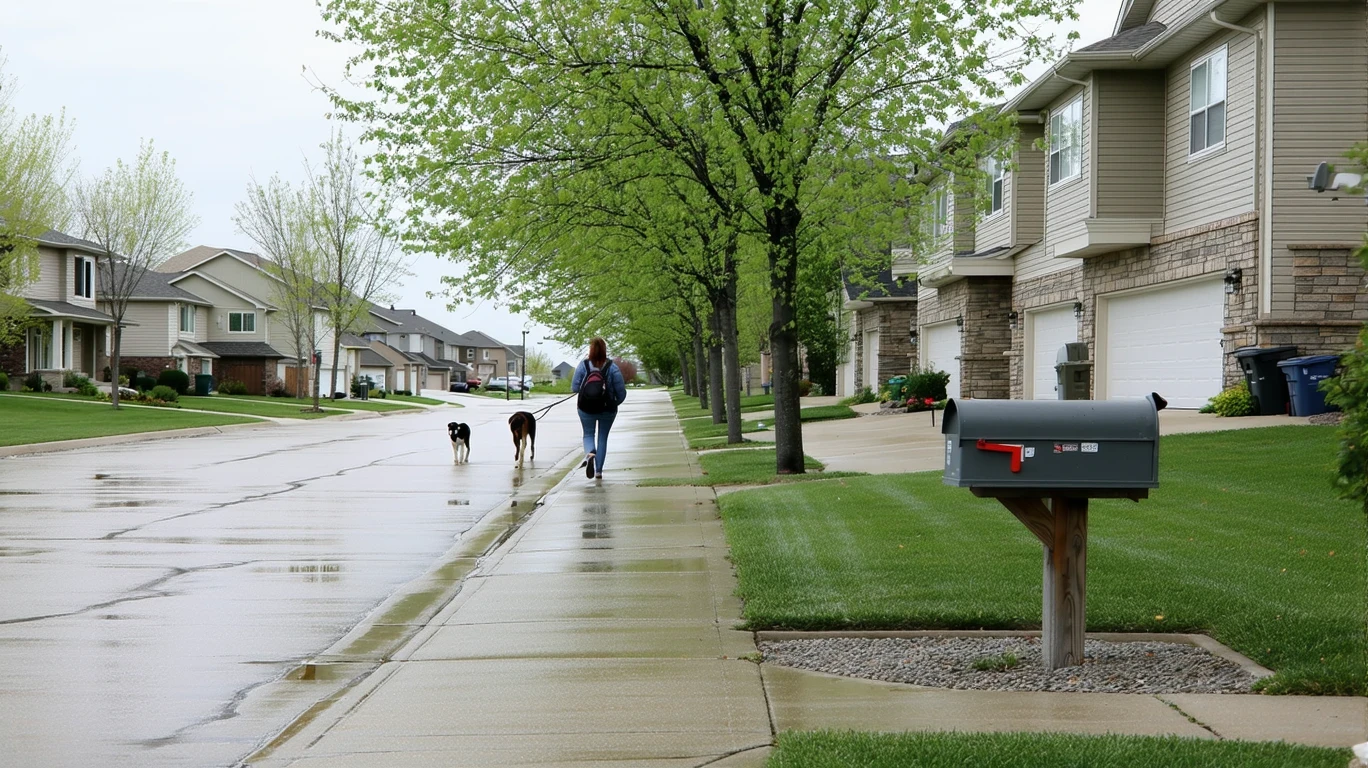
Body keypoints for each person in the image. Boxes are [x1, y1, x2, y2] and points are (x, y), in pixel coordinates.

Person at [572, 337, 627, 480]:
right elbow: (621, 392)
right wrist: (614, 403)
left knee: (588, 434)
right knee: (603, 438)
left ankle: (590, 454)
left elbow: (574, 387)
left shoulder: (583, 365)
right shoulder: (612, 367)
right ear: (605, 349)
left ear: (590, 349)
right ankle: (598, 471)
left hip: (585, 408)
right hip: (607, 409)